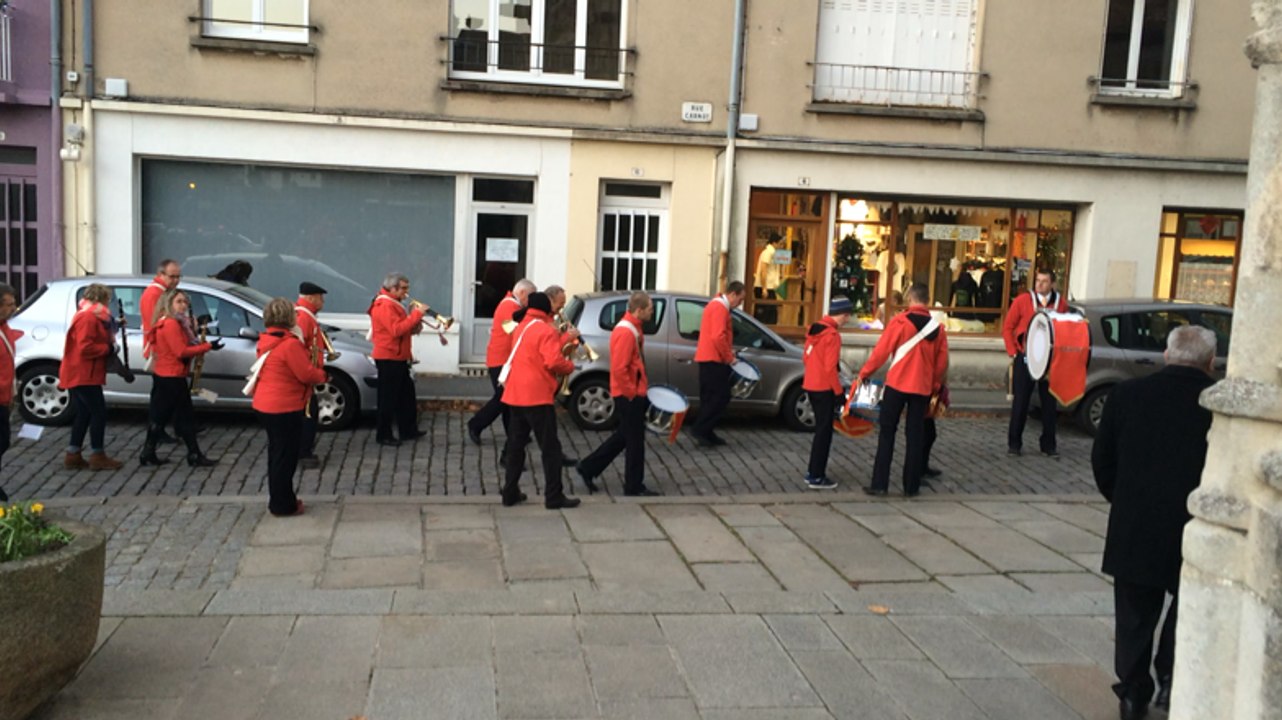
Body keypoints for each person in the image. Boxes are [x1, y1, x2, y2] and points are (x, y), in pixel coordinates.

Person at [1092, 325, 1217, 720]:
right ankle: (1170, 680)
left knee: (1133, 616)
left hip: (1136, 523)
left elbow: (1102, 460)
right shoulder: (1214, 407)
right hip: (1193, 524)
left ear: (1167, 354)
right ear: (1210, 363)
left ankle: (1132, 692)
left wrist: (1123, 499)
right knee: (1187, 607)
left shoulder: (1127, 395)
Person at [857, 283, 948, 497]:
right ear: (926, 301)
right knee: (915, 436)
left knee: (887, 433)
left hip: (897, 384)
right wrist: (934, 385)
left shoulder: (899, 322)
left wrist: (864, 373)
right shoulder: (938, 329)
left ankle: (880, 484)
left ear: (910, 299)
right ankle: (911, 486)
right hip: (922, 387)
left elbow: (881, 352)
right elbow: (941, 363)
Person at [499, 292, 580, 510]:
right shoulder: (545, 329)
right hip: (536, 396)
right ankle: (554, 496)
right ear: (545, 310)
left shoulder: (521, 326)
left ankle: (510, 492)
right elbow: (553, 360)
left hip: (515, 395)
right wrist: (570, 366)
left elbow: (536, 349)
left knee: (516, 446)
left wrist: (563, 339)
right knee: (550, 448)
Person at [576, 291, 660, 497]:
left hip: (632, 391)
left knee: (624, 437)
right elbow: (621, 368)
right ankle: (633, 485)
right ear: (639, 310)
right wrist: (632, 393)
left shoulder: (632, 328)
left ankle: (588, 468)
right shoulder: (626, 332)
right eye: (650, 309)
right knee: (634, 442)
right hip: (629, 393)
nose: (652, 312)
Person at [253, 298, 329, 517]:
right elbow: (305, 374)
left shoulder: (267, 339)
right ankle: (283, 504)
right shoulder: (289, 344)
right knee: (285, 458)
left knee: (277, 454)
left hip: (265, 404)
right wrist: (324, 375)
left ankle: (280, 499)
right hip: (284, 406)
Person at [141, 289, 220, 467]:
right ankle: (192, 454)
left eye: (185, 302)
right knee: (179, 416)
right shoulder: (171, 324)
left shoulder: (171, 322)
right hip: (172, 376)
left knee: (167, 416)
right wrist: (207, 346)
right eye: (179, 302)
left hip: (167, 374)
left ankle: (151, 451)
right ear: (169, 303)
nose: (183, 305)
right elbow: (180, 351)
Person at [1002, 268, 1069, 457]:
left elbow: (1066, 329)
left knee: (1049, 405)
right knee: (1021, 402)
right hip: (1025, 358)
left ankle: (1048, 445)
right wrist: (1013, 351)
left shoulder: (1060, 304)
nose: (1039, 284)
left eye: (1044, 281)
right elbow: (1008, 327)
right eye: (1038, 280)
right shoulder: (1023, 301)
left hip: (1050, 361)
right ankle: (1014, 444)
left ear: (1052, 284)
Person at [58, 283, 123, 471]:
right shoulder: (88, 317)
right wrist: (109, 348)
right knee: (98, 412)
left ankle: (73, 453)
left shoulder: (91, 314)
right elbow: (85, 347)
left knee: (84, 413)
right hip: (84, 373)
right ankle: (97, 454)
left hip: (83, 372)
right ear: (103, 299)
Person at [467, 278, 535, 447]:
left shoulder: (512, 305)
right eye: (530, 297)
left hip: (503, 360)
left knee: (507, 400)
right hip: (500, 360)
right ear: (521, 293)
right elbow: (512, 329)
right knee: (502, 398)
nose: (531, 301)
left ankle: (514, 434)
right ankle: (476, 424)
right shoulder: (510, 306)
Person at [368, 272, 426, 447]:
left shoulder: (394, 304)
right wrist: (415, 315)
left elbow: (404, 329)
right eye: (403, 288)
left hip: (399, 356)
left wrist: (415, 324)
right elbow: (396, 330)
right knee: (387, 399)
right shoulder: (384, 305)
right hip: (388, 358)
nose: (406, 292)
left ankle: (408, 429)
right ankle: (383, 434)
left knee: (406, 396)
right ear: (392, 288)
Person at [801, 296, 853, 490]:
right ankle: (816, 475)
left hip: (811, 384)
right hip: (824, 388)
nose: (848, 320)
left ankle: (812, 472)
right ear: (844, 314)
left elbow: (805, 357)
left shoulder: (815, 330)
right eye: (848, 316)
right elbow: (831, 368)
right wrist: (839, 393)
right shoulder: (832, 335)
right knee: (824, 433)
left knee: (820, 431)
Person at [690, 281, 745, 447]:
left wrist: (728, 351)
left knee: (710, 398)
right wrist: (729, 357)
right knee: (720, 397)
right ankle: (701, 428)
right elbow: (718, 337)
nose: (740, 303)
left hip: (710, 358)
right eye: (740, 299)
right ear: (733, 294)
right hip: (714, 360)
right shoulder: (720, 308)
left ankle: (706, 431)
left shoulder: (716, 306)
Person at [141, 259, 183, 444]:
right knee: (161, 396)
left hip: (164, 350)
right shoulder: (154, 294)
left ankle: (178, 425)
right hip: (160, 351)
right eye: (172, 276)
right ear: (161, 275)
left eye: (178, 276)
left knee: (167, 395)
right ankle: (158, 430)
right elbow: (154, 325)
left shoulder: (163, 292)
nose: (176, 280)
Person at [294, 281, 329, 469]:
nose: (322, 301)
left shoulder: (306, 315)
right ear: (311, 298)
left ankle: (304, 449)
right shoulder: (303, 317)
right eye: (320, 297)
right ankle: (303, 451)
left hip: (309, 372)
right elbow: (299, 347)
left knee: (310, 413)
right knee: (309, 414)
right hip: (305, 375)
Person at [0, 284, 21, 501]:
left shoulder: (5, 327)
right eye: (9, 304)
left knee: (4, 441)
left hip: (4, 398)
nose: (14, 308)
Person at [753, 234, 780, 324]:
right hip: (765, 287)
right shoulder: (768, 253)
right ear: (774, 243)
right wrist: (764, 288)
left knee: (770, 313)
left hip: (769, 287)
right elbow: (763, 271)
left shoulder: (771, 253)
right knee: (766, 315)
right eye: (780, 243)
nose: (781, 246)